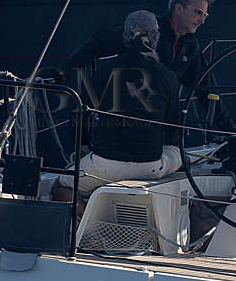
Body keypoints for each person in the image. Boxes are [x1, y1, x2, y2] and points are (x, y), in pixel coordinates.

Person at [50, 11, 183, 204]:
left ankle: (86, 216)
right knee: (176, 152)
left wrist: (86, 145)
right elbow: (174, 128)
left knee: (60, 187)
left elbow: (78, 117)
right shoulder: (168, 76)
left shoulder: (104, 73)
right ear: (156, 37)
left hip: (105, 165)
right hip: (151, 165)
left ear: (125, 38)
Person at [66, 0, 216, 98]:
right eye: (198, 12)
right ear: (179, 8)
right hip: (128, 117)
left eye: (205, 15)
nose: (202, 20)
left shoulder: (191, 46)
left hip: (159, 122)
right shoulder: (147, 30)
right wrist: (63, 75)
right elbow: (100, 42)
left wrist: (230, 131)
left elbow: (203, 88)